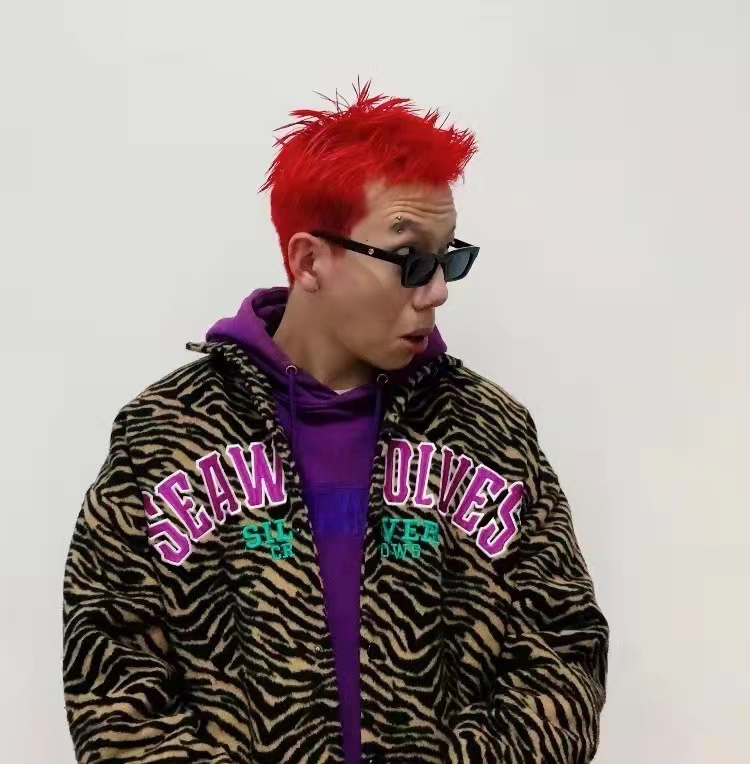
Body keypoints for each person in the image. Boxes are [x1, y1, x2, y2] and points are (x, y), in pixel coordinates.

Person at [63, 82, 608, 764]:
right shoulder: (164, 434)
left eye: (448, 258)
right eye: (410, 260)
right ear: (309, 261)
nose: (438, 290)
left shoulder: (489, 432)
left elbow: (562, 653)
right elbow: (113, 679)